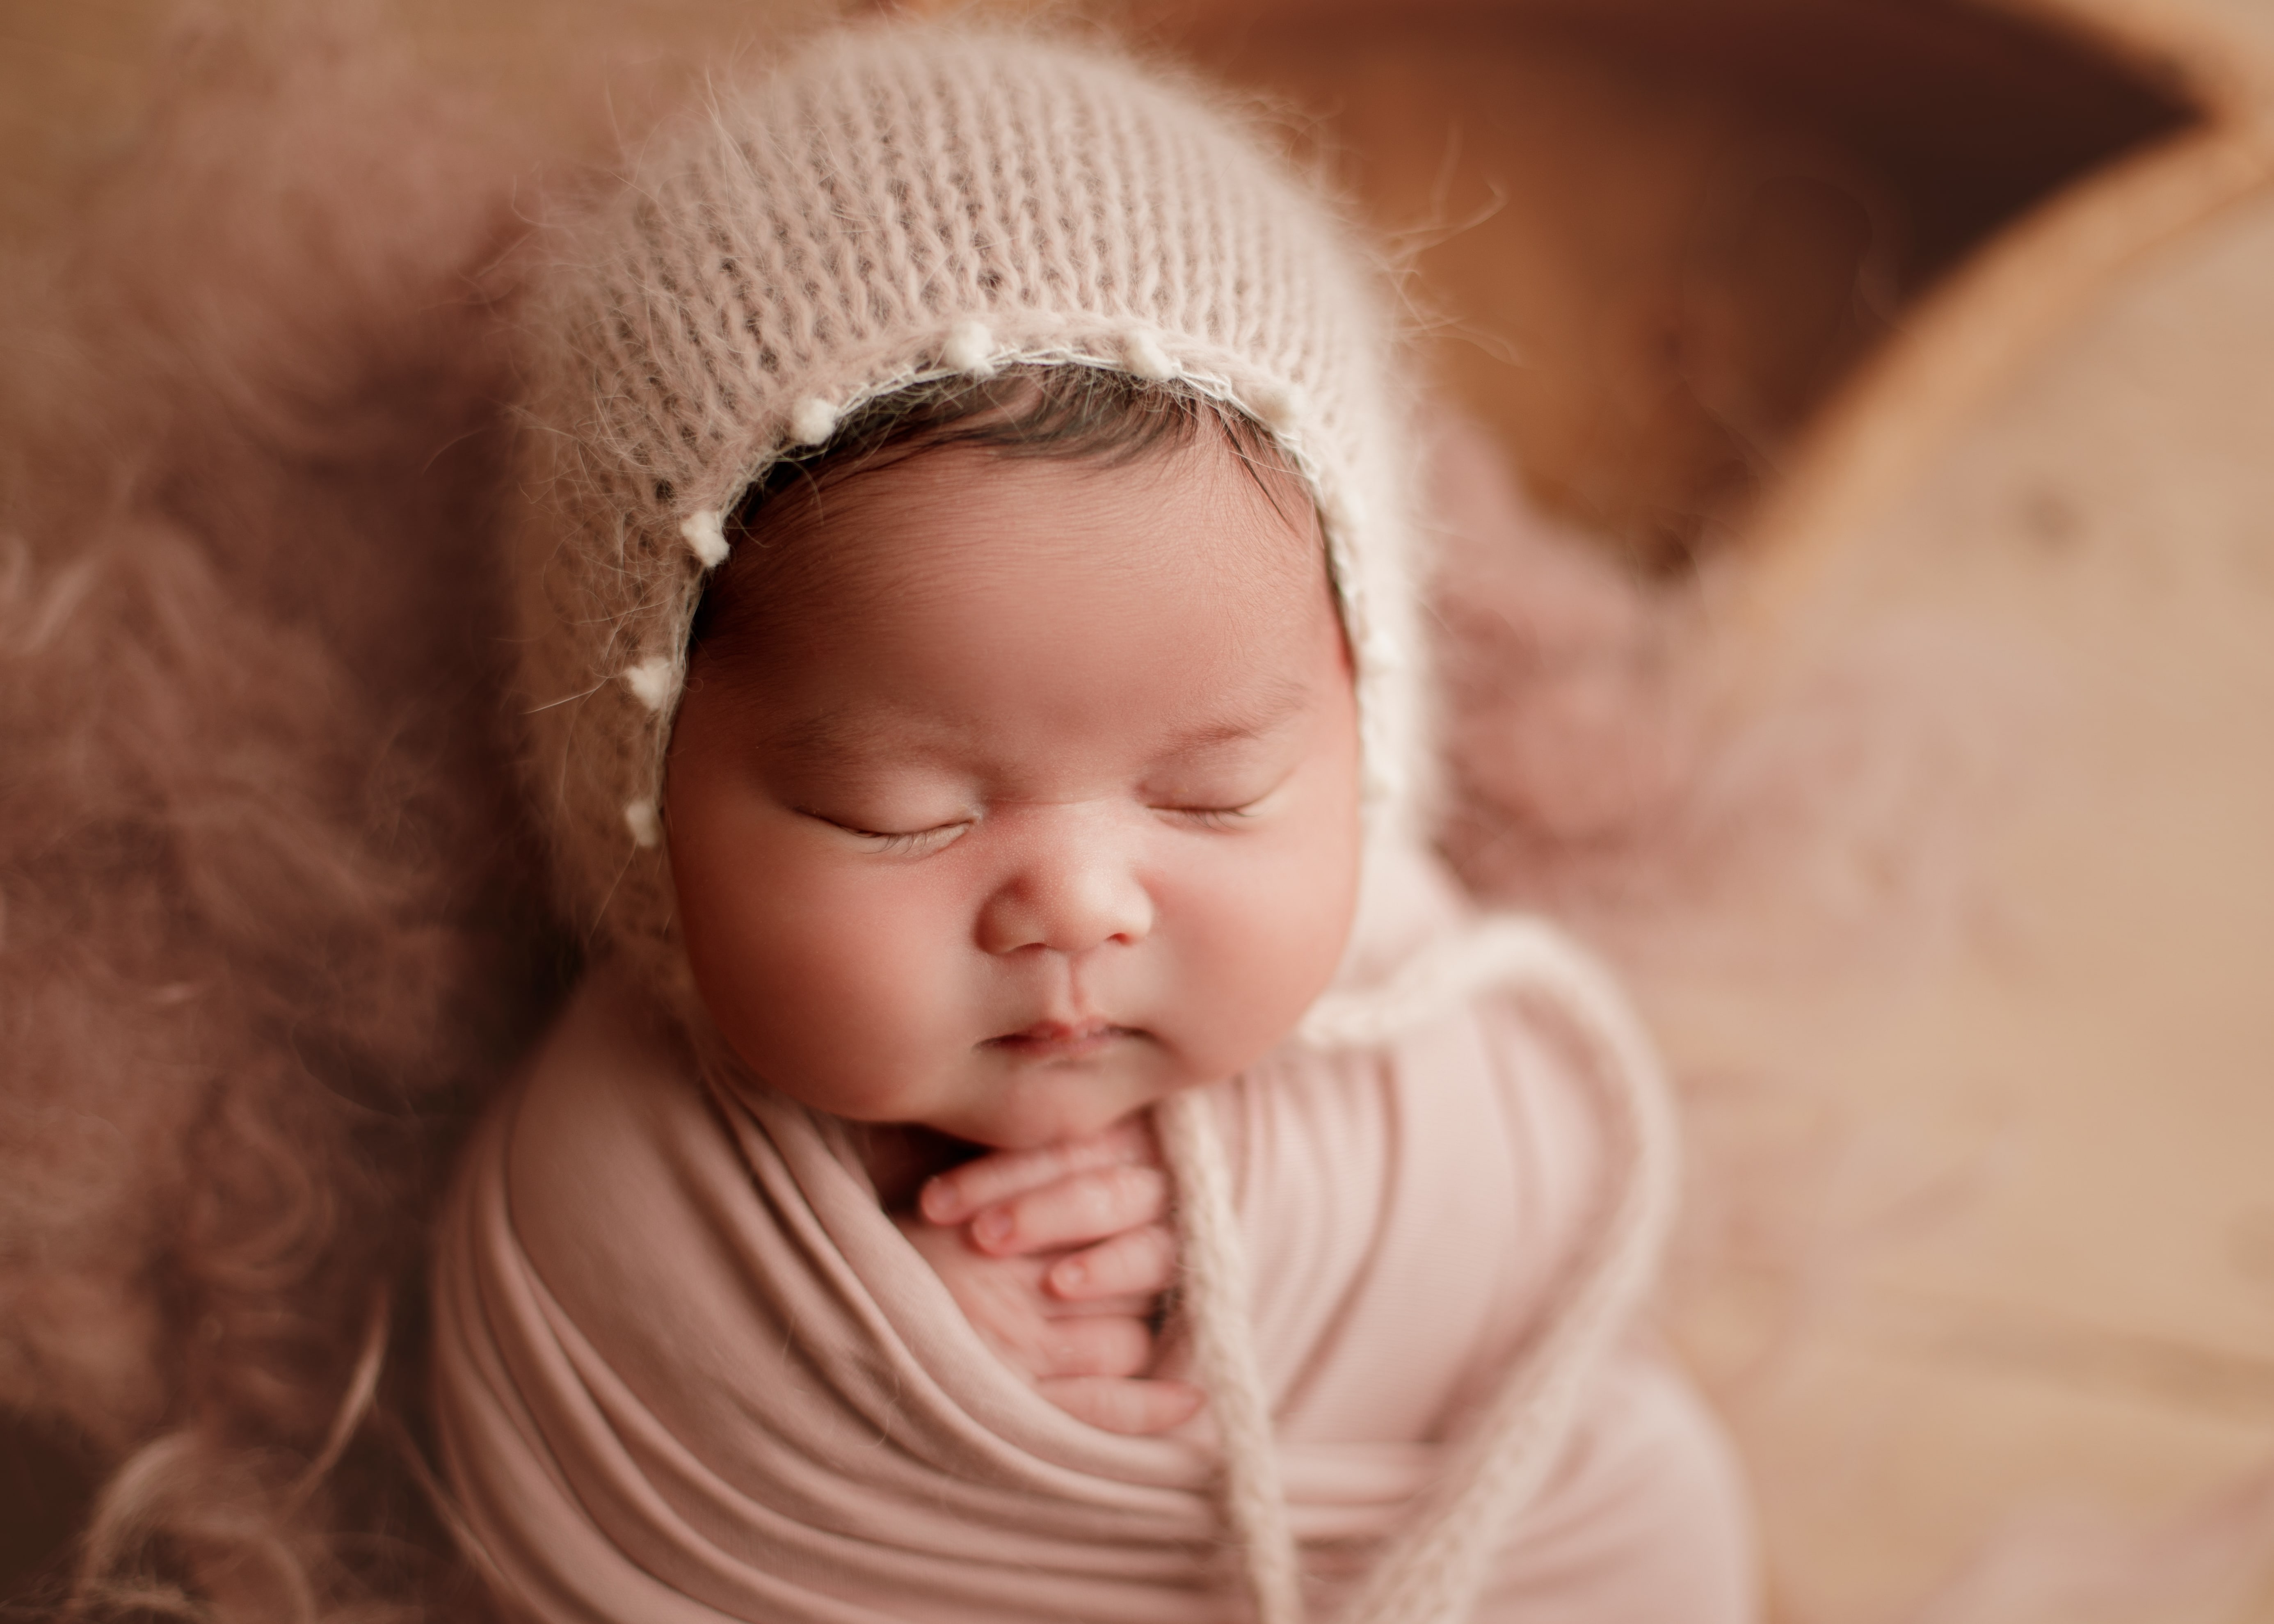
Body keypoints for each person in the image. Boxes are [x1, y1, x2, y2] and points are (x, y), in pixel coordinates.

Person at [429, 19, 1756, 1624]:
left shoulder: (1436, 1004)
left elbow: (1538, 1200)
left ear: (1359, 735)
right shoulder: (617, 1173)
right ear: (643, 806)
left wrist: (1259, 1226)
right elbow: (581, 1439)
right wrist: (890, 1377)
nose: (1079, 905)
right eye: (894, 812)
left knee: (1652, 1495)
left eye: (1214, 794)